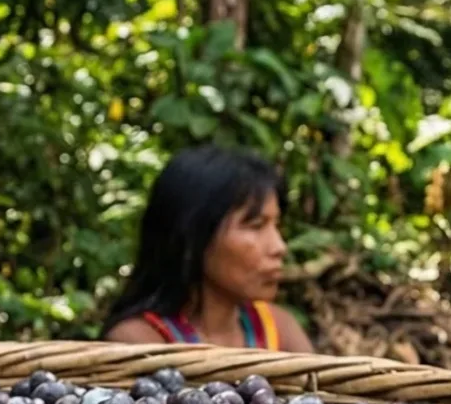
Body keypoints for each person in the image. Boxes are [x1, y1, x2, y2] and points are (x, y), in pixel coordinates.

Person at [104, 146, 314, 351]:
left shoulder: (278, 329)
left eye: (276, 225)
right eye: (256, 226)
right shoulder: (141, 341)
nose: (279, 247)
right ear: (195, 236)